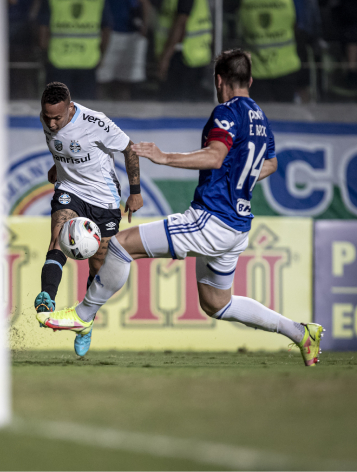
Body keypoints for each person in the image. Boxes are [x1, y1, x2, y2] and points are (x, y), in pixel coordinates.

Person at [36, 50, 324, 367]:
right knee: (217, 303)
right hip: (238, 225)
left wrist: (164, 157)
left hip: (211, 219)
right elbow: (270, 163)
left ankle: (82, 315)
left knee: (120, 245)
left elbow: (214, 157)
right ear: (250, 80)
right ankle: (301, 333)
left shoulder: (226, 113)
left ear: (218, 80)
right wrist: (236, 179)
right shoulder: (258, 116)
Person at [35, 81, 143, 356]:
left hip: (104, 200)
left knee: (98, 268)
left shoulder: (97, 122)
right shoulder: (47, 118)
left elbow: (129, 149)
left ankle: (86, 320)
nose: (52, 123)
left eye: (58, 117)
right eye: (47, 117)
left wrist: (135, 193)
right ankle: (47, 298)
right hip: (70, 190)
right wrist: (57, 167)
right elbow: (64, 146)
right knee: (58, 237)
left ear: (71, 108)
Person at [38, 0, 112, 100]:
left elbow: (43, 31)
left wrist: (44, 53)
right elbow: (106, 31)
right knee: (85, 108)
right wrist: (101, 55)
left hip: (58, 60)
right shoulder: (97, 2)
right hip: (88, 61)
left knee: (57, 107)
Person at [154, 0, 212, 101]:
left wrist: (165, 58)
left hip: (183, 57)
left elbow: (181, 23)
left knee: (176, 103)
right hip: (195, 54)